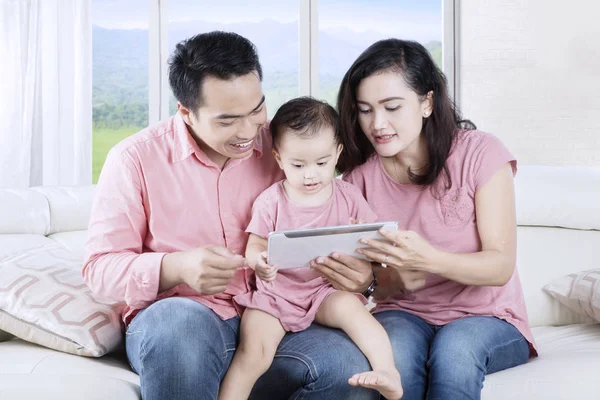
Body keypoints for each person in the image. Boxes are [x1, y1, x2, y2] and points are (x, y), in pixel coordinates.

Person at [83, 31, 378, 400]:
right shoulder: (134, 160)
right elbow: (99, 270)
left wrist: (364, 278)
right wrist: (177, 267)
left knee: (350, 372)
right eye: (227, 121)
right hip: (184, 322)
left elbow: (345, 215)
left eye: (256, 110)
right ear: (186, 112)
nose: (247, 132)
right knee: (180, 328)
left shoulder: (286, 149)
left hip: (276, 319)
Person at [312, 38, 537, 399]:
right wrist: (374, 281)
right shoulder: (357, 181)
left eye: (392, 107)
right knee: (390, 362)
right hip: (403, 314)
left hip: (488, 316)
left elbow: (500, 266)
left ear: (427, 102)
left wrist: (429, 259)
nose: (377, 123)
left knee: (454, 353)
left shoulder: (480, 153)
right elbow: (379, 287)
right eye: (365, 110)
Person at [218, 97, 403, 400]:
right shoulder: (271, 201)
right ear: (278, 158)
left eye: (321, 163)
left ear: (337, 153)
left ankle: (388, 372)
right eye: (298, 165)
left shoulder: (348, 195)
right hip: (276, 294)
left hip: (324, 290)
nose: (310, 175)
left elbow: (371, 236)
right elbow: (255, 245)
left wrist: (371, 249)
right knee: (254, 353)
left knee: (356, 314)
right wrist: (259, 261)